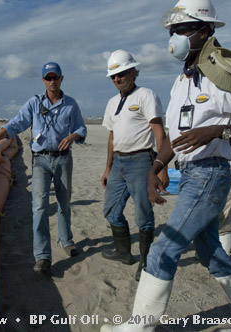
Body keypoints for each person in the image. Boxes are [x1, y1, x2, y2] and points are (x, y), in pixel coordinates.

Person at [101, 0, 231, 331]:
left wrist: (217, 130)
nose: (173, 38)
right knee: (211, 253)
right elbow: (172, 138)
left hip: (211, 173)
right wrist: (156, 167)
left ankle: (139, 327)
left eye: (180, 30)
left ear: (204, 31)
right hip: (191, 172)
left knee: (164, 249)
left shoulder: (225, 74)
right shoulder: (182, 81)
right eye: (171, 31)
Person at [0, 62, 87, 275]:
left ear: (61, 78)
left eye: (55, 77)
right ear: (43, 81)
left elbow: (81, 127)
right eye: (48, 77)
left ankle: (66, 241)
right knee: (39, 207)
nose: (52, 81)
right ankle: (43, 255)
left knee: (64, 201)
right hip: (40, 161)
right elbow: (15, 124)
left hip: (64, 160)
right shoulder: (34, 103)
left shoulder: (71, 104)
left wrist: (73, 136)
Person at [101, 50, 168, 281]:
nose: (117, 79)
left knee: (143, 214)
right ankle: (123, 252)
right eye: (113, 76)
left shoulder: (146, 95)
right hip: (118, 162)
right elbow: (112, 137)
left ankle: (145, 261)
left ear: (133, 72)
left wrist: (162, 168)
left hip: (141, 161)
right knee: (110, 211)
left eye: (121, 73)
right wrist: (108, 168)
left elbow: (159, 131)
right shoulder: (112, 103)